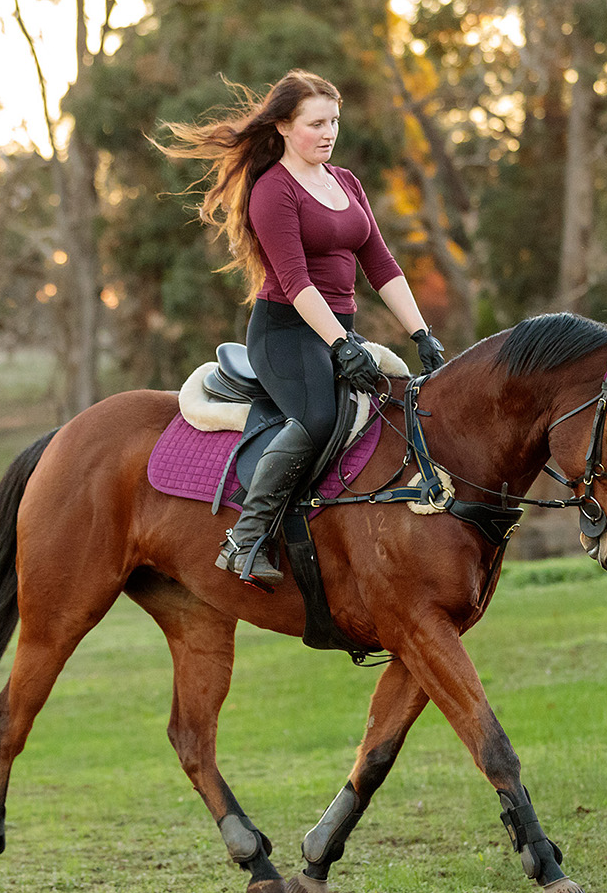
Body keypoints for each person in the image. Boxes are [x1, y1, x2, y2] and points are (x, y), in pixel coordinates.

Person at [159, 69, 447, 589]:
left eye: (334, 121)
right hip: (286, 333)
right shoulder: (273, 191)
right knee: (318, 416)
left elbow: (382, 266)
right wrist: (341, 343)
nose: (329, 132)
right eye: (316, 123)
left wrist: (422, 334)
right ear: (285, 127)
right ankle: (245, 540)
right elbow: (294, 282)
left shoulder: (346, 182)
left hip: (337, 331)